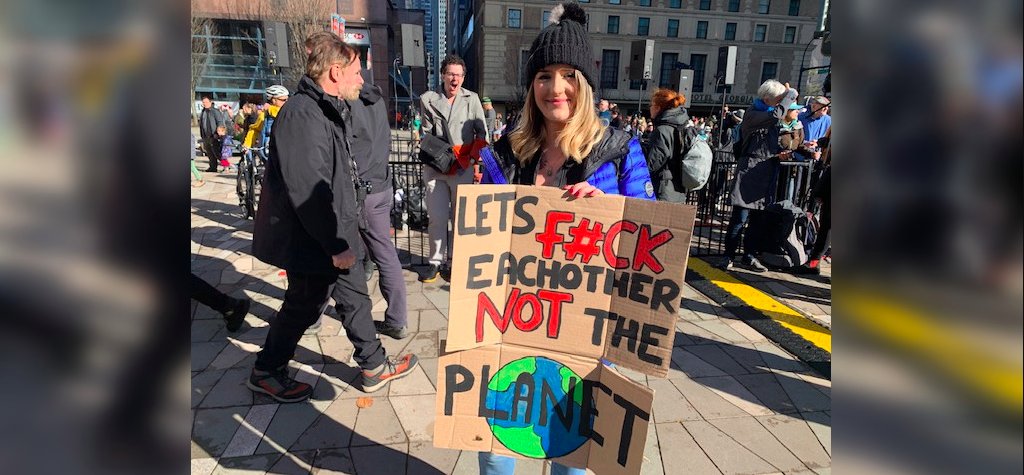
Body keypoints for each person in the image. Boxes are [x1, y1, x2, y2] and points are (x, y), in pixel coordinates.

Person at [479, 4, 652, 474]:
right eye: (544, 76)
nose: (556, 88)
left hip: (584, 333)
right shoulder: (505, 154)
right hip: (512, 323)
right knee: (496, 450)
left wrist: (608, 211)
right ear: (531, 85)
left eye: (568, 75)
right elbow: (479, 239)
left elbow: (651, 241)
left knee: (572, 456)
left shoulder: (619, 151)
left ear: (586, 83)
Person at [249, 35, 418, 402]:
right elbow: (308, 188)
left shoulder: (325, 108)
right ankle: (266, 369)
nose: (361, 79)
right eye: (356, 72)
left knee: (355, 297)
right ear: (335, 72)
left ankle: (373, 365)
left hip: (337, 230)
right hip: (315, 238)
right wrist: (335, 243)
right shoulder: (302, 113)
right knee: (304, 304)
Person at [348, 77, 411, 339]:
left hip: (363, 189)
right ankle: (397, 318)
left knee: (341, 253)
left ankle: (312, 317)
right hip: (381, 184)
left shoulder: (348, 102)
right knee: (384, 253)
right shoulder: (376, 100)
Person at [418, 54, 488, 283]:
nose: (454, 79)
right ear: (443, 75)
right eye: (450, 74)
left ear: (463, 77)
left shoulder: (472, 99)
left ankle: (454, 261)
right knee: (437, 217)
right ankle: (435, 262)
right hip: (436, 167)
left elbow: (482, 133)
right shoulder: (427, 99)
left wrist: (472, 159)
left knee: (460, 219)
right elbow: (425, 133)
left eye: (459, 75)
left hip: (462, 167)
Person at [720, 79, 795, 272]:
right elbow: (777, 115)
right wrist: (790, 95)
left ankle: (749, 256)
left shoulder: (769, 114)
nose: (781, 102)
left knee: (757, 220)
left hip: (765, 170)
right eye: (779, 99)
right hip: (749, 171)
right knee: (739, 218)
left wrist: (779, 154)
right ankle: (728, 255)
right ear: (768, 99)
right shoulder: (754, 113)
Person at [643, 88, 692, 202]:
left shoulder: (662, 130)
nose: (649, 108)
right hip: (678, 188)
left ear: (658, 108)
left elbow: (654, 162)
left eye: (651, 105)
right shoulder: (680, 125)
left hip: (663, 188)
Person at [243, 85, 289, 155]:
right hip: (269, 151)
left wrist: (270, 108)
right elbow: (254, 129)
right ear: (274, 100)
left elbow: (283, 115)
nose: (286, 102)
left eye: (287, 99)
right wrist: (247, 145)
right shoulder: (265, 114)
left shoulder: (287, 111)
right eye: (283, 100)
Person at [198, 95, 228, 172]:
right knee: (210, 153)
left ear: (210, 102)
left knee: (218, 153)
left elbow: (220, 122)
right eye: (203, 102)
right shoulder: (203, 112)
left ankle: (226, 166)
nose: (204, 104)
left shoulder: (215, 111)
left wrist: (219, 134)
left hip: (214, 136)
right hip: (206, 136)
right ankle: (213, 167)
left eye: (206, 102)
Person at [797, 96, 831, 162]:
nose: (826, 108)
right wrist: (805, 144)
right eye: (823, 106)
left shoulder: (829, 120)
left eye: (827, 106)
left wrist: (818, 143)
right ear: (814, 106)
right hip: (801, 157)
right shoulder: (801, 117)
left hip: (818, 158)